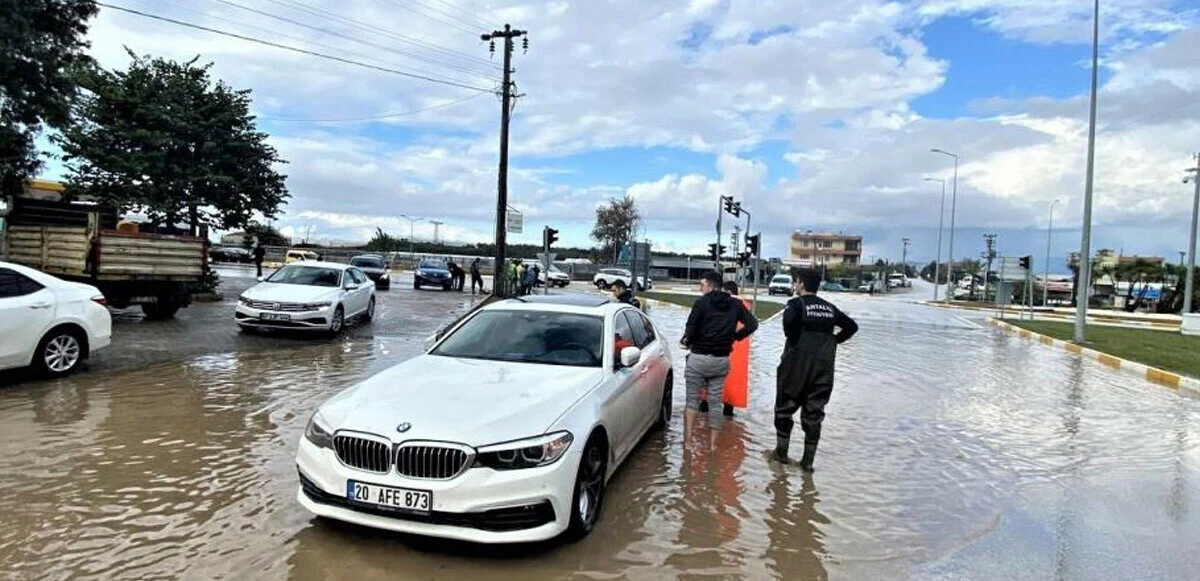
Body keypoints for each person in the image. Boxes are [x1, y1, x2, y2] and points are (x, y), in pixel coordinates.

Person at [773, 268, 858, 472]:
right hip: (823, 370)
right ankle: (808, 463)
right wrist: (834, 341)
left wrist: (799, 344)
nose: (794, 285)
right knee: (814, 414)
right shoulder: (830, 308)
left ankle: (781, 454)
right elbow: (852, 327)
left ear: (801, 283)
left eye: (795, 282)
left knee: (784, 409)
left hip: (795, 368)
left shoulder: (794, 305)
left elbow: (789, 332)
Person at [680, 272, 758, 437]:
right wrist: (735, 337)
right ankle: (714, 446)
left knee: (692, 402)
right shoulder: (735, 304)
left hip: (699, 357)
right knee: (716, 403)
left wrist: (687, 342)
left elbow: (690, 329)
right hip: (721, 360)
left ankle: (687, 443)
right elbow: (752, 324)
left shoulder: (701, 303)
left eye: (702, 284)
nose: (700, 288)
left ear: (710, 285)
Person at [698, 281, 751, 417]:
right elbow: (751, 326)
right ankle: (726, 417)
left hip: (714, 354)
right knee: (729, 399)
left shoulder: (715, 305)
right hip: (734, 360)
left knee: (707, 393)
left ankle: (704, 419)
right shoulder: (743, 307)